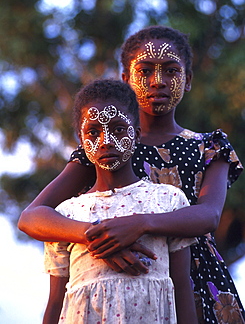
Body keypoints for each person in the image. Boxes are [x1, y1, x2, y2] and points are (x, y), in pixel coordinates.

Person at [18, 26, 244, 323]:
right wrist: (98, 238)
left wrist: (139, 225)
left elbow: (209, 216)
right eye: (145, 71)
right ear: (126, 79)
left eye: (171, 71)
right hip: (121, 283)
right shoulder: (106, 147)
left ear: (187, 80)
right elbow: (32, 217)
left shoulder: (208, 147)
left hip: (200, 282)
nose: (157, 82)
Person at [43, 79, 198, 324]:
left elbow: (181, 287)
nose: (105, 141)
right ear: (81, 140)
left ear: (136, 135)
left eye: (117, 129)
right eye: (93, 132)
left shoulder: (168, 200)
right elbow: (55, 302)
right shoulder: (66, 216)